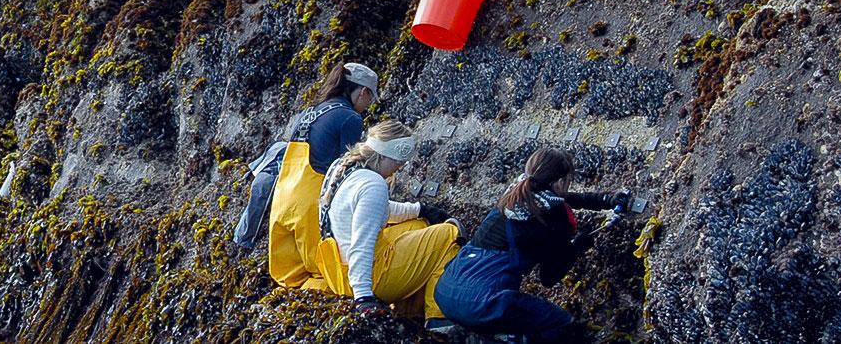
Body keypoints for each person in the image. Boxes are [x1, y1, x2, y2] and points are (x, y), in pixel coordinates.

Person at [432, 149, 635, 342]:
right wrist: (576, 248)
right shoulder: (551, 220)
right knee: (563, 326)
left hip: (445, 291)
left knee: (506, 324)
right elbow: (548, 277)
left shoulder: (513, 197)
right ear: (560, 182)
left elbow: (562, 199)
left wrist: (605, 200)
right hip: (484, 302)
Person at [241, 62, 379, 290]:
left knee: (290, 279)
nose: (368, 106)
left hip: (284, 201)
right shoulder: (350, 118)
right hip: (311, 207)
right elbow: (348, 168)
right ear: (363, 92)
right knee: (330, 277)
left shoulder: (309, 112)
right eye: (370, 99)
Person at [313, 120, 460, 328]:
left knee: (419, 224)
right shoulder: (373, 183)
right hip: (368, 279)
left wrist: (419, 209)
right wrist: (363, 297)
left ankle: (409, 307)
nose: (400, 167)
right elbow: (361, 243)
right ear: (384, 155)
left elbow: (371, 207)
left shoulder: (344, 166)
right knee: (450, 233)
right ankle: (438, 317)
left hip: (338, 272)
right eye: (399, 161)